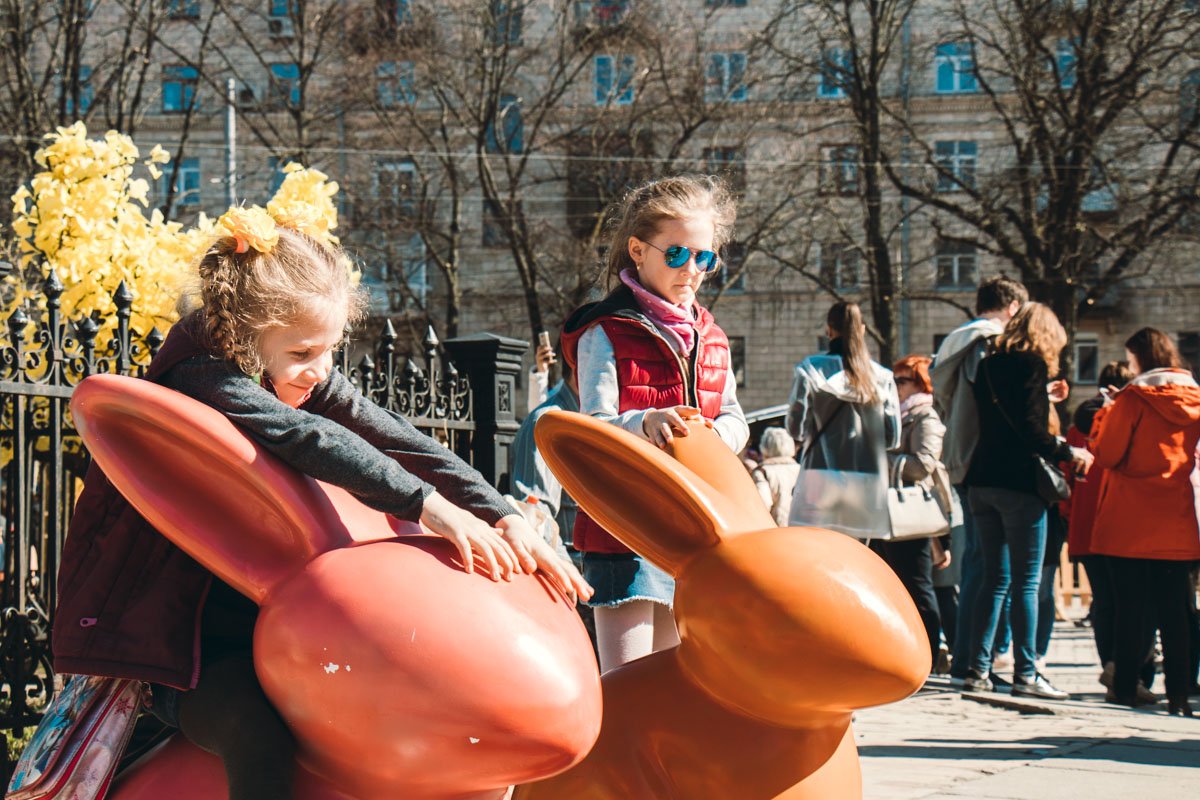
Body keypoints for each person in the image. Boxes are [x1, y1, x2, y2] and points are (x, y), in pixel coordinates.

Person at [52, 210, 591, 800]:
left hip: (271, 630)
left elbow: (399, 438)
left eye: (332, 348)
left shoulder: (288, 365)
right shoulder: (202, 375)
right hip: (186, 643)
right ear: (243, 338)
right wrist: (428, 506)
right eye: (306, 351)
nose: (323, 369)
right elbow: (309, 438)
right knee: (256, 735)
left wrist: (502, 514)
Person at [560, 175, 748, 673]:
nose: (692, 269)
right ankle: (613, 753)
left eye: (704, 258)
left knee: (671, 680)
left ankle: (659, 755)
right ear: (638, 251)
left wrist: (713, 437)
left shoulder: (712, 336)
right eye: (676, 255)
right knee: (623, 681)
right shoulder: (605, 330)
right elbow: (594, 426)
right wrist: (648, 421)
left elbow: (733, 417)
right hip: (623, 523)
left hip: (692, 531)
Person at [962, 303, 1092, 700]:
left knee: (994, 579)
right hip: (1019, 484)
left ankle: (977, 670)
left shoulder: (988, 366)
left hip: (981, 480)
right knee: (1027, 582)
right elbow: (1033, 434)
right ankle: (1027, 673)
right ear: (1046, 334)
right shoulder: (1032, 366)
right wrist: (1073, 453)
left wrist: (1044, 397)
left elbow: (1006, 420)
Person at [1090, 328, 1200, 717]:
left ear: (1139, 358)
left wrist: (1106, 414)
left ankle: (1124, 688)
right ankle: (1180, 693)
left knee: (1130, 608)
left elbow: (1107, 454)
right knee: (1176, 611)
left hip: (1129, 519)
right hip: (1178, 518)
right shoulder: (1196, 398)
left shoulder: (1134, 399)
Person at [931, 276, 1028, 685]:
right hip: (985, 457)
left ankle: (967, 659)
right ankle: (978, 658)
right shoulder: (988, 342)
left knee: (977, 563)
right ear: (1011, 307)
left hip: (961, 453)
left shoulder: (955, 340)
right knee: (993, 569)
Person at [1062, 361, 1147, 699]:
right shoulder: (1125, 419)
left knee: (1104, 600)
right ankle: (1131, 672)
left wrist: (1068, 513)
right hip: (1119, 520)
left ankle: (1109, 666)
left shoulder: (1077, 425)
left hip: (1084, 523)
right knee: (1129, 599)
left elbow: (1067, 474)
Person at [786, 301, 899, 538]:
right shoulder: (882, 377)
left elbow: (795, 427)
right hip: (868, 477)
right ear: (863, 330)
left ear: (829, 330)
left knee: (818, 549)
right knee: (858, 555)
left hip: (820, 472)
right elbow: (892, 437)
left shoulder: (811, 369)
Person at [876, 354, 953, 666]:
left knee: (918, 588)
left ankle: (931, 657)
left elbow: (923, 465)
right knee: (894, 587)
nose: (896, 387)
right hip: (887, 511)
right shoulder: (895, 415)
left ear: (920, 383)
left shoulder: (925, 417)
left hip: (911, 515)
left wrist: (881, 461)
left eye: (902, 380)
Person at [511, 354, 580, 561]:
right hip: (583, 573)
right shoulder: (550, 425)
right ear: (581, 367)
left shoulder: (593, 420)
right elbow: (537, 518)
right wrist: (569, 582)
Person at [751, 427, 801, 526]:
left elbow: (761, 506)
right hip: (808, 530)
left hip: (779, 534)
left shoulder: (763, 472)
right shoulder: (802, 469)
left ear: (764, 447)